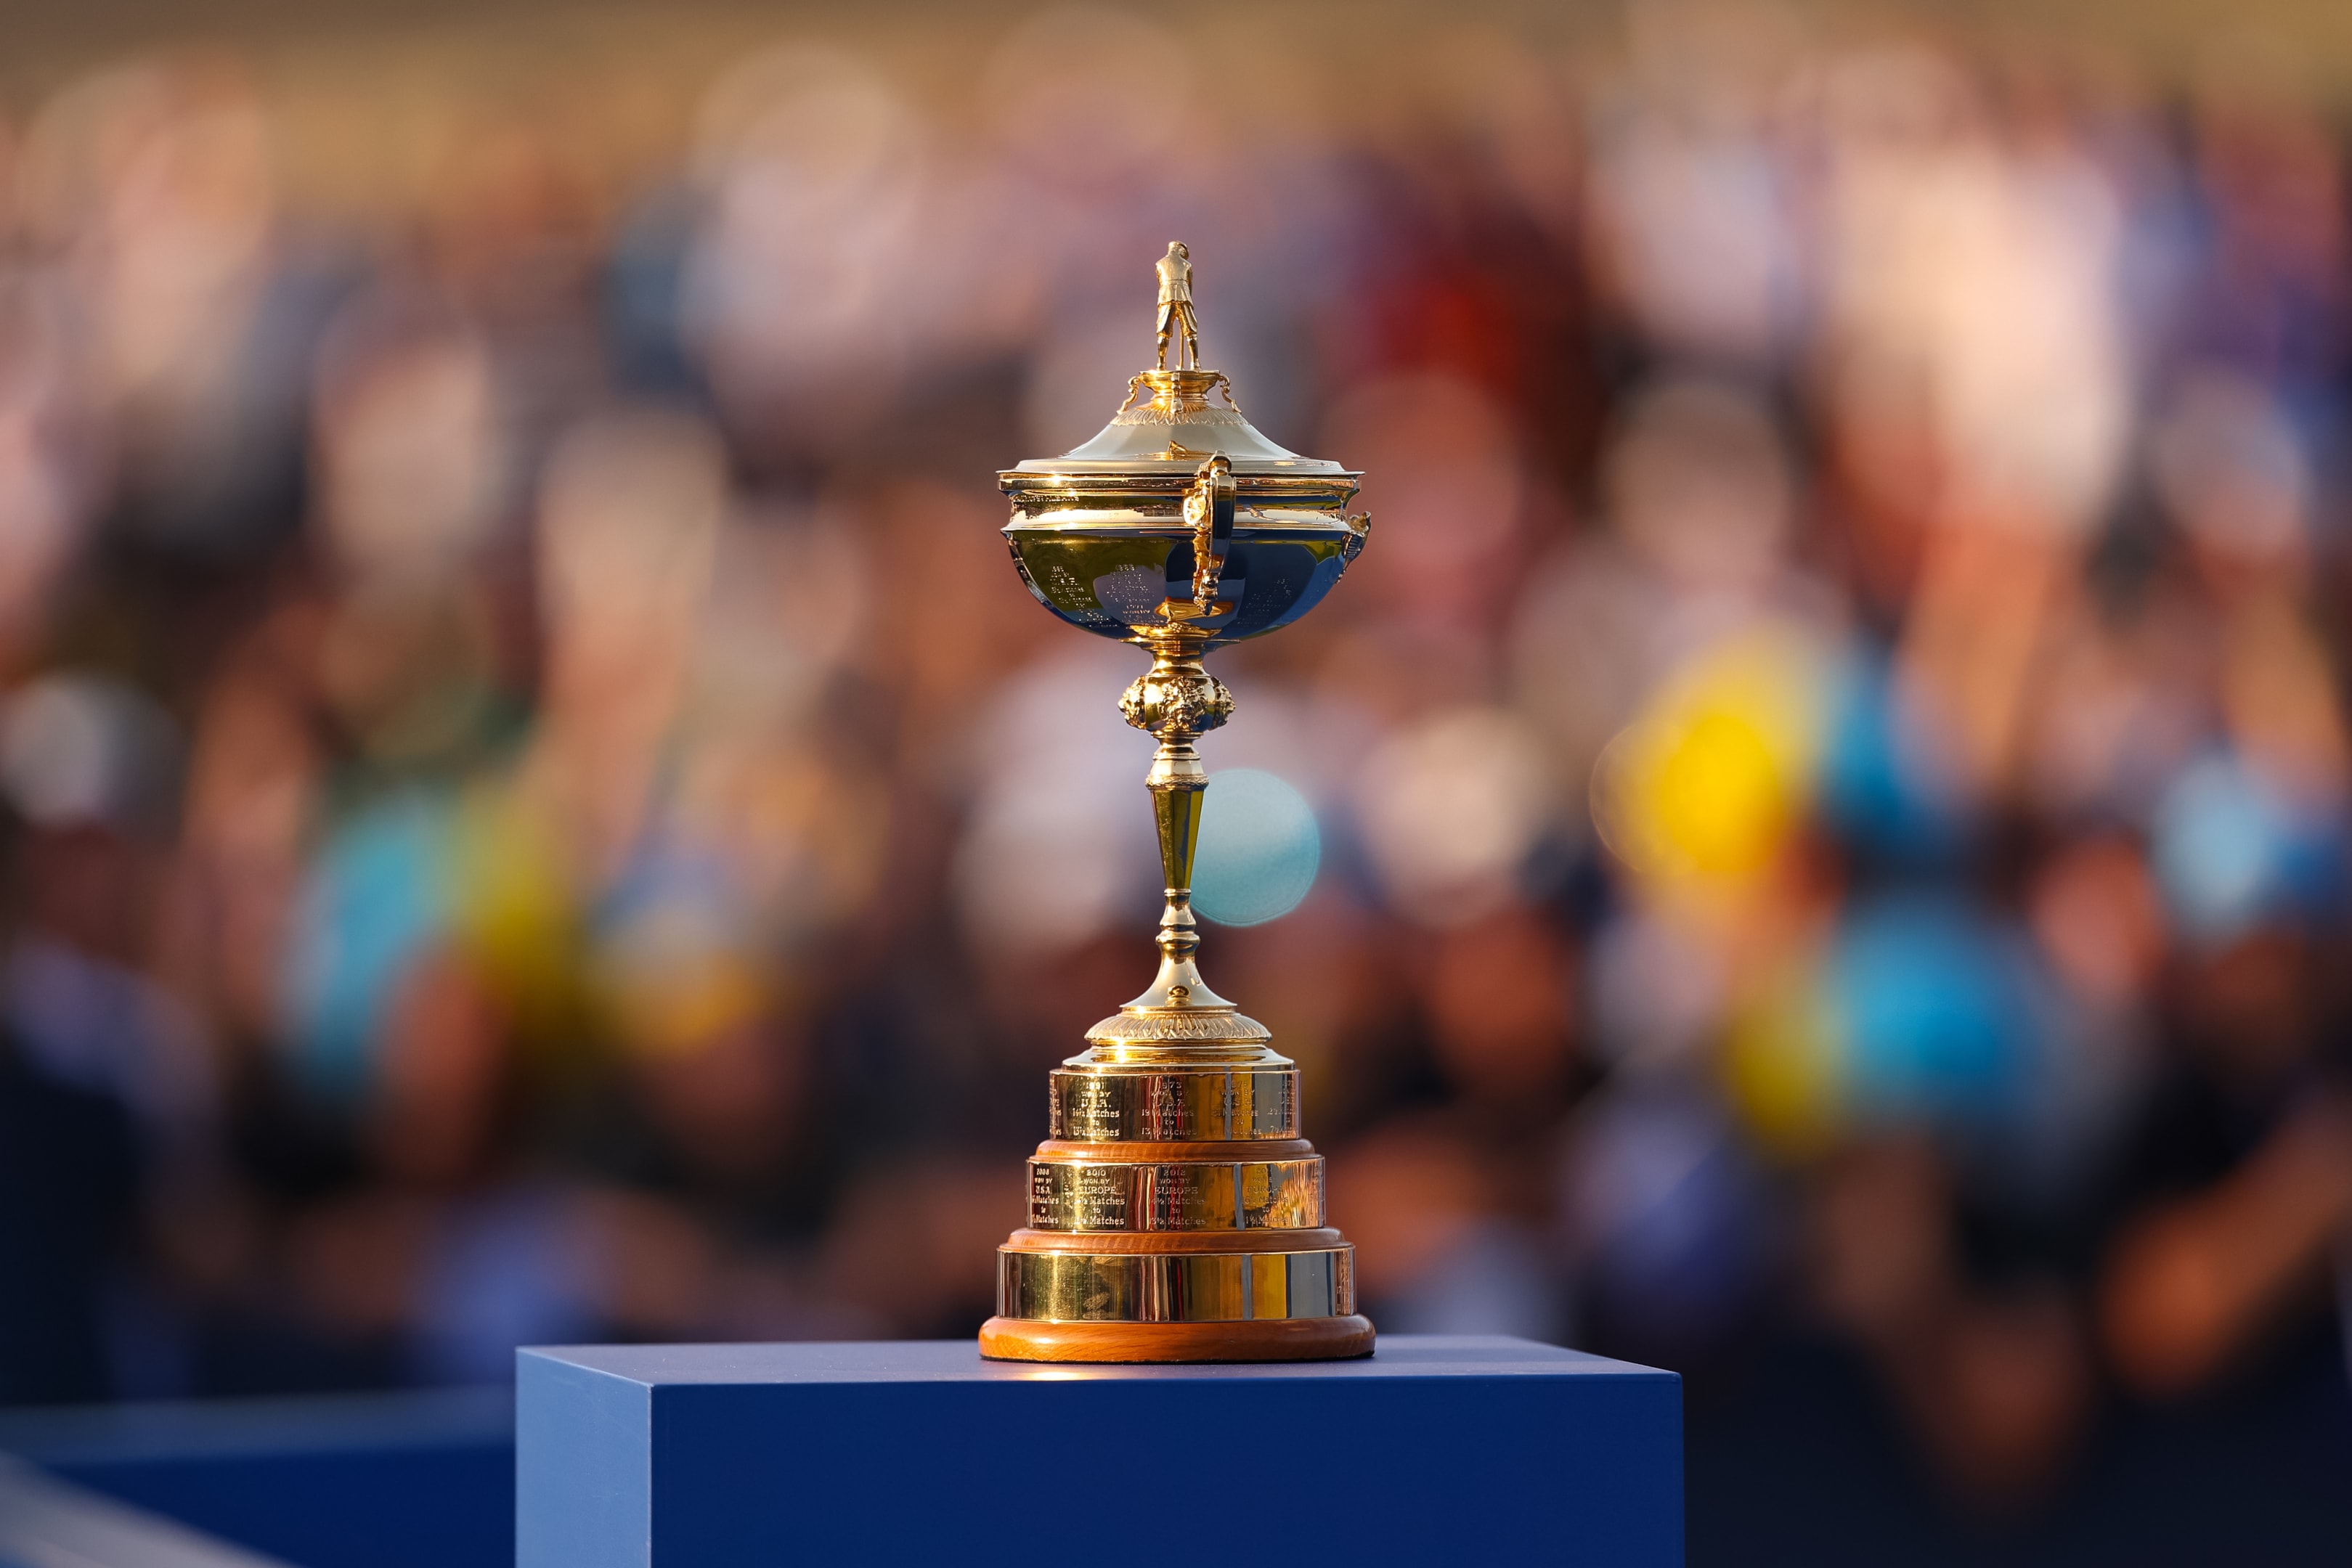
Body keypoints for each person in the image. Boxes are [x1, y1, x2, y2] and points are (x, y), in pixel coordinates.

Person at [1155, 241, 1199, 371]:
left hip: (1166, 299)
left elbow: (1160, 282)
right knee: (1191, 332)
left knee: (1163, 332)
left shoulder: (1159, 264)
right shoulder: (1187, 265)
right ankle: (1195, 363)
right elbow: (1190, 286)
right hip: (1183, 298)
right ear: (1180, 250)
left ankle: (1161, 363)